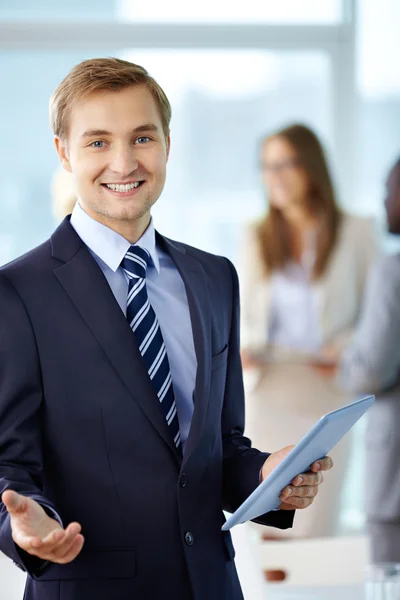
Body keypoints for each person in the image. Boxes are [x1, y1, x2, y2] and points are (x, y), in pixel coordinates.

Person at [0, 58, 332, 600]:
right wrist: (24, 523)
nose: (125, 162)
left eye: (142, 137)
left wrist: (270, 477)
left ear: (168, 143)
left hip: (211, 586)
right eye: (98, 142)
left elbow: (219, 450)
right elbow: (8, 466)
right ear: (64, 152)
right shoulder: (17, 294)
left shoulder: (213, 277)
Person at [240, 124, 377, 541]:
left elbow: (380, 315)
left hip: (327, 393)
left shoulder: (356, 231)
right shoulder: (256, 234)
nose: (275, 177)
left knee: (314, 526)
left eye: (286, 165)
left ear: (311, 168)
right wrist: (243, 348)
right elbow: (245, 313)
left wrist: (346, 349)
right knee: (266, 521)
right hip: (271, 390)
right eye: (267, 167)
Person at [339, 157, 400, 563]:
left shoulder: (393, 271)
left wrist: (344, 360)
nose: (384, 201)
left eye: (390, 190)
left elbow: (371, 369)